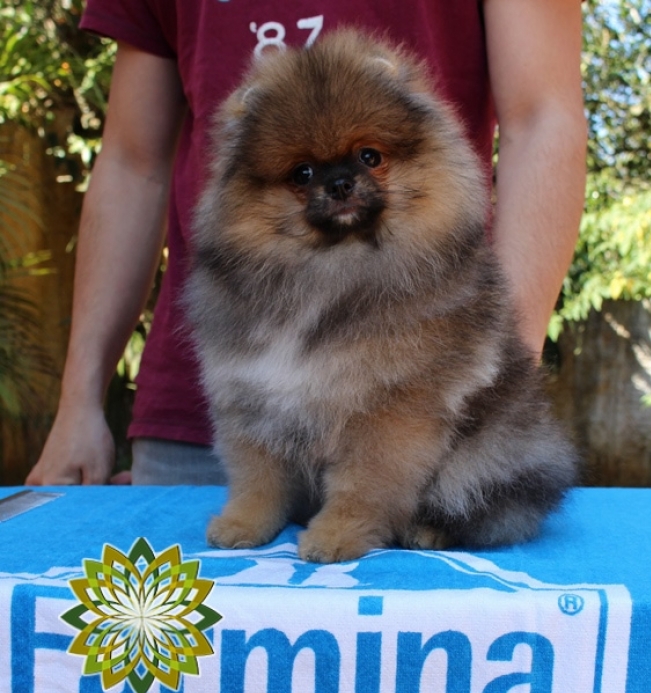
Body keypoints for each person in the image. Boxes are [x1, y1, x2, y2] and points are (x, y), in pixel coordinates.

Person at [26, 0, 587, 487]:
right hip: (218, 409)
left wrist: (496, 377)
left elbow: (542, 118)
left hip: (420, 396)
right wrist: (79, 402)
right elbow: (131, 162)